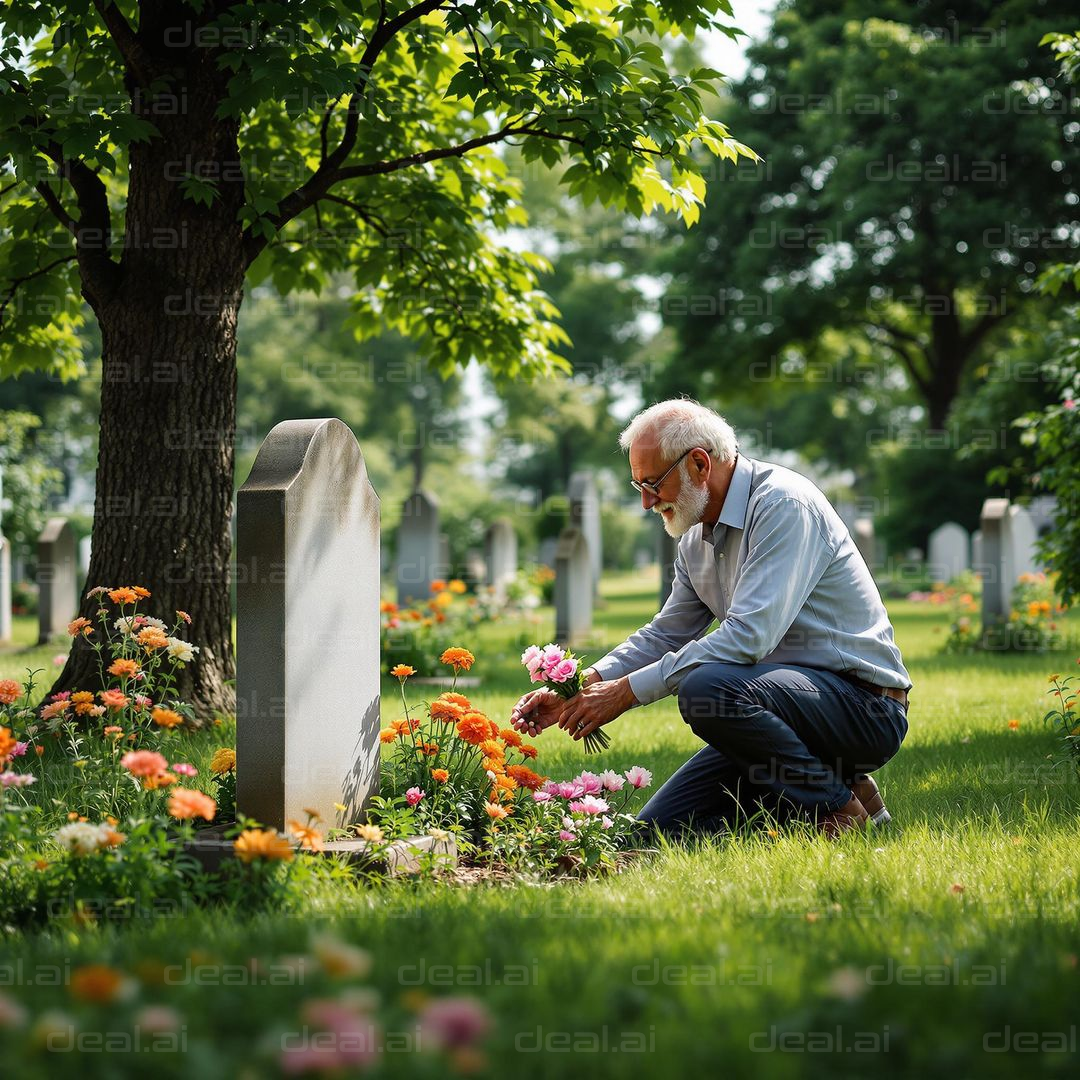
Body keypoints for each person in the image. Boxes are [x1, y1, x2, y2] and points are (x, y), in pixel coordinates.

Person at [510, 398, 911, 838]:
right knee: (655, 834)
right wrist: (580, 685)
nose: (646, 502)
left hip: (863, 708)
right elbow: (666, 632)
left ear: (699, 464)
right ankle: (838, 782)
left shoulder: (783, 504)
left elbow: (747, 638)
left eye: (653, 483)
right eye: (637, 485)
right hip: (778, 712)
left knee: (704, 688)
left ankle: (837, 809)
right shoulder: (694, 538)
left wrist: (626, 693)